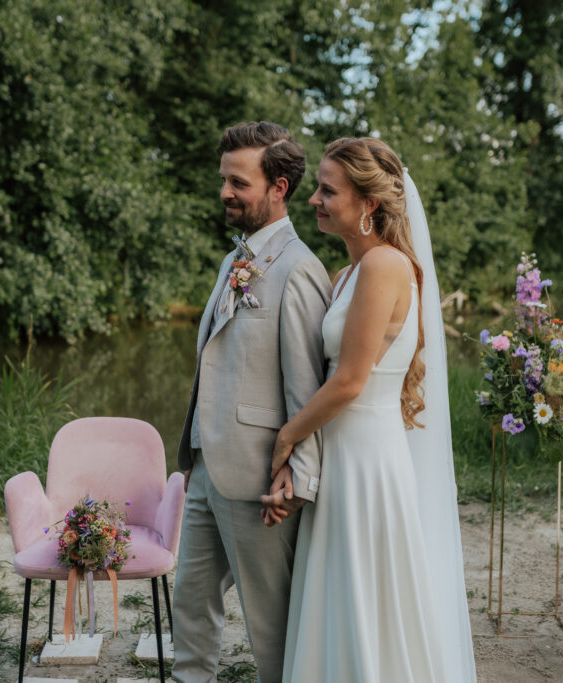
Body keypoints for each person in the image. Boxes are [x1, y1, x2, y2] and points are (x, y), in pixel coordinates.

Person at [261, 137, 477, 682]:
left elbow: (351, 381)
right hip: (342, 451)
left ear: (368, 204)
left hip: (366, 459)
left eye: (328, 190)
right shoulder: (348, 274)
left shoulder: (383, 265)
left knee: (366, 590)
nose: (314, 198)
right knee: (341, 587)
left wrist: (285, 437)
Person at [172, 121, 332, 683]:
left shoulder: (300, 270)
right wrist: (190, 458)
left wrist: (300, 479)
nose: (224, 192)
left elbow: (308, 391)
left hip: (262, 477)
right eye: (223, 179)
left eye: (238, 182)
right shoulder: (232, 260)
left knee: (270, 627)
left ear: (278, 188)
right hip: (206, 468)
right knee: (189, 606)